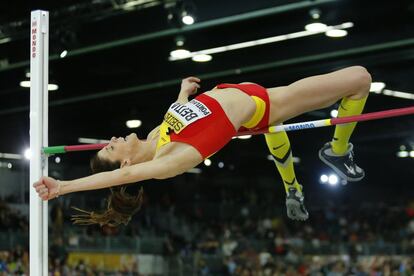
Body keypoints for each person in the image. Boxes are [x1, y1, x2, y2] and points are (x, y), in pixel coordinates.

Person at [33, 66, 371, 224]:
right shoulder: (168, 161)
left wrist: (182, 92)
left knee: (280, 129)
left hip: (240, 89)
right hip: (266, 104)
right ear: (126, 166)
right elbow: (112, 181)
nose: (112, 140)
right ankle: (338, 151)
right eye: (110, 148)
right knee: (359, 80)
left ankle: (293, 187)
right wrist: (62, 186)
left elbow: (178, 117)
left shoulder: (155, 138)